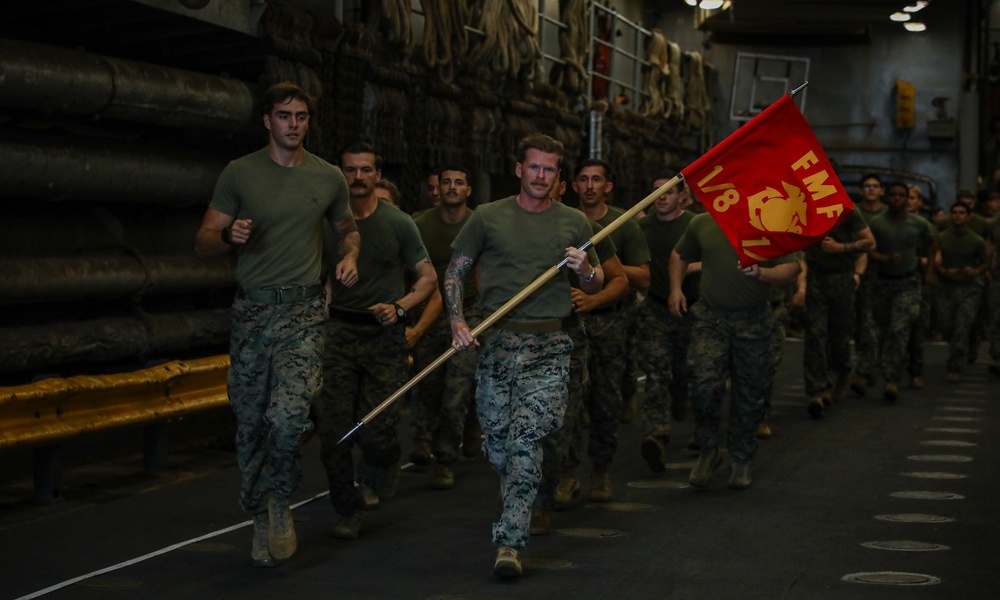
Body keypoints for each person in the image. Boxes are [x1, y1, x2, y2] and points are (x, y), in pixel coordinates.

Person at [194, 81, 360, 567]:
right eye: (284, 115)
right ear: (267, 120)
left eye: (302, 116)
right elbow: (203, 240)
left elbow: (347, 230)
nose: (293, 124)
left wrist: (349, 258)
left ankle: (279, 500)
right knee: (250, 424)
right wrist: (228, 234)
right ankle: (260, 508)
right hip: (252, 314)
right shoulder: (239, 173)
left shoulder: (328, 177)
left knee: (288, 419)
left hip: (304, 313)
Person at [445, 133, 603, 578]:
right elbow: (456, 270)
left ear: (558, 176)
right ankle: (514, 483)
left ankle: (510, 543)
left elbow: (596, 283)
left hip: (549, 346)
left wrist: (586, 270)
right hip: (496, 343)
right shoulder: (487, 217)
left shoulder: (574, 222)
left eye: (550, 169)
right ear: (519, 170)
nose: (541, 176)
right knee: (497, 443)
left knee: (527, 441)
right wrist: (457, 320)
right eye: (534, 167)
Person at [312, 142, 437, 539]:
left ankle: (384, 459)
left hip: (383, 335)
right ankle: (346, 511)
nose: (358, 178)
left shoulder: (398, 223)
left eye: (366, 170)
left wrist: (400, 307)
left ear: (377, 175)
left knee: (378, 430)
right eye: (350, 170)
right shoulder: (326, 223)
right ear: (341, 174)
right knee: (333, 431)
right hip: (338, 334)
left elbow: (428, 278)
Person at [668, 214, 800, 490]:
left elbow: (792, 268)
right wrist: (676, 288)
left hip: (753, 321)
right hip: (710, 319)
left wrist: (763, 273)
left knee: (749, 393)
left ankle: (741, 457)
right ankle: (708, 450)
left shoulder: (772, 221)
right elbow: (680, 254)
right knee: (703, 385)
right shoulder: (702, 222)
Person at [566, 158, 650, 502]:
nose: (589, 186)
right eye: (583, 179)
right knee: (569, 402)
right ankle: (568, 474)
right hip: (570, 322)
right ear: (573, 186)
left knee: (604, 400)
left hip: (611, 322)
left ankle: (600, 470)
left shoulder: (624, 225)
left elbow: (643, 277)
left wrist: (600, 277)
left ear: (607, 186)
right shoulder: (565, 221)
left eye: (596, 180)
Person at [410, 165, 481, 489]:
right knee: (429, 385)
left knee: (458, 388)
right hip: (430, 314)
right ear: (436, 187)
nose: (452, 187)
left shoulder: (478, 223)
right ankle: (426, 437)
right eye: (446, 182)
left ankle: (446, 458)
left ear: (468, 190)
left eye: (459, 182)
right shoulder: (420, 224)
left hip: (470, 313)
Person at [636, 172, 698, 471]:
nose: (661, 197)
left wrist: (684, 267)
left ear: (681, 196)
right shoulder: (642, 227)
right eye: (656, 192)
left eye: (669, 192)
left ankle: (682, 393)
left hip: (693, 311)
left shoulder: (694, 225)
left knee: (687, 373)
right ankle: (656, 436)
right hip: (656, 309)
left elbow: (714, 257)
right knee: (656, 373)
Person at [865, 181, 936, 402]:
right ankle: (888, 369)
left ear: (908, 200)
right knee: (885, 329)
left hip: (909, 282)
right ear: (887, 198)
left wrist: (930, 270)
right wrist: (883, 258)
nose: (897, 198)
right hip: (883, 283)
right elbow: (868, 250)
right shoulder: (876, 223)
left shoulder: (918, 223)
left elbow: (932, 242)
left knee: (899, 328)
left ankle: (891, 379)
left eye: (901, 195)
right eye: (893, 194)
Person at [802, 207, 875, 418]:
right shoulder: (804, 206)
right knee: (815, 334)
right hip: (815, 276)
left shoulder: (847, 210)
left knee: (839, 336)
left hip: (841, 277)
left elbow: (870, 243)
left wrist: (841, 247)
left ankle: (843, 371)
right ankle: (816, 390)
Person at [934, 200, 988, 381]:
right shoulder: (942, 237)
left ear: (968, 216)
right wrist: (943, 270)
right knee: (946, 326)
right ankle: (969, 341)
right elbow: (935, 259)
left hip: (968, 289)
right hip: (946, 288)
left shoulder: (976, 240)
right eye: (954, 212)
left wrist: (977, 271)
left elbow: (985, 261)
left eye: (962, 213)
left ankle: (955, 366)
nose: (958, 216)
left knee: (961, 327)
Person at [851, 173, 888, 394]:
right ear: (861, 191)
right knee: (861, 323)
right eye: (867, 186)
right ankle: (862, 369)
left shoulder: (888, 214)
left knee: (877, 323)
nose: (871, 190)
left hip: (883, 275)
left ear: (881, 190)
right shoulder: (855, 212)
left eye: (875, 186)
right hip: (858, 273)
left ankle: (868, 368)